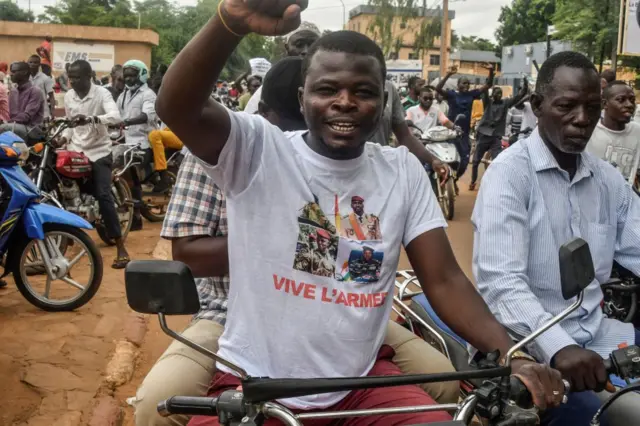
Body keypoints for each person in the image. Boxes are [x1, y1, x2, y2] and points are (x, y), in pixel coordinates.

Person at [157, 3, 565, 425]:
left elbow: (444, 280)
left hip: (363, 386)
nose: (345, 103)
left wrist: (511, 356)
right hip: (259, 386)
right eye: (327, 90)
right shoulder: (259, 150)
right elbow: (177, 107)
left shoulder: (402, 170)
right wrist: (230, 23)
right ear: (303, 97)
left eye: (364, 92)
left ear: (384, 100)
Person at [134, 54, 464, 426]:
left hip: (344, 310)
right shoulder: (234, 149)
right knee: (156, 403)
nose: (296, 145)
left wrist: (330, 247)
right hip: (230, 316)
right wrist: (284, 236)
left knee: (442, 379)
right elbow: (188, 252)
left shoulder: (358, 157)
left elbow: (438, 275)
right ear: (274, 111)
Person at [472, 51, 640, 426]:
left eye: (592, 107)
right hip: (532, 353)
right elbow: (501, 283)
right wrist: (558, 347)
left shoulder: (608, 179)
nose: (582, 120)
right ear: (538, 105)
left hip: (602, 336)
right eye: (566, 106)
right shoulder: (508, 176)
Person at [58, 60, 130, 269]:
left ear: (90, 75)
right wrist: (62, 138)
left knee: (103, 194)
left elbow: (115, 116)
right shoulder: (70, 96)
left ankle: (120, 247)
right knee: (61, 185)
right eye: (70, 77)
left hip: (99, 151)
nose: (72, 81)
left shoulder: (102, 93)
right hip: (76, 149)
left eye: (78, 77)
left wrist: (90, 118)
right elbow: (70, 125)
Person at [243, 21, 321, 114]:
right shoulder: (271, 87)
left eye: (312, 45)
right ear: (287, 48)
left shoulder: (333, 81)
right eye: (299, 45)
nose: (306, 51)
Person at [435, 65, 495, 182]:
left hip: (464, 133)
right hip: (451, 132)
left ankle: (454, 180)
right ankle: (446, 180)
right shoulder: (452, 95)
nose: (467, 85)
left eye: (468, 83)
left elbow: (488, 85)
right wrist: (448, 74)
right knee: (449, 158)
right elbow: (438, 89)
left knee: (465, 161)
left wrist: (491, 71)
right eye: (464, 83)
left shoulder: (471, 95)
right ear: (458, 85)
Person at [117, 59, 157, 232]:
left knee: (127, 172)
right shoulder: (123, 95)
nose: (128, 79)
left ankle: (136, 216)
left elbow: (146, 116)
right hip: (125, 142)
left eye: (132, 76)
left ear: (142, 76)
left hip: (143, 144)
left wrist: (126, 122)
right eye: (126, 76)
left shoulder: (148, 95)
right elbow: (115, 114)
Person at [469, 83, 529, 190]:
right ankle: (473, 181)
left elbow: (517, 98)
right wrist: (490, 76)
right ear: (492, 95)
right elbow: (485, 90)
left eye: (500, 93)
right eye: (496, 93)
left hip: (495, 137)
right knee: (475, 161)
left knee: (498, 160)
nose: (499, 95)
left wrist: (524, 87)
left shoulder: (505, 103)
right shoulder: (488, 103)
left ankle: (497, 182)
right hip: (483, 135)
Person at [586, 81, 640, 185]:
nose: (629, 104)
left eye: (632, 100)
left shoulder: (637, 131)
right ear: (605, 103)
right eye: (621, 100)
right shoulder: (590, 131)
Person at [0, 61, 44, 141]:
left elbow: (26, 117)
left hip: (31, 130)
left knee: (3, 128)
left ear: (24, 72)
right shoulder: (13, 91)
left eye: (13, 71)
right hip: (14, 126)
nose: (10, 74)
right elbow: (11, 115)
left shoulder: (35, 91)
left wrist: (7, 123)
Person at [147, 126, 183, 193]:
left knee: (154, 135)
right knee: (151, 136)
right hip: (173, 130)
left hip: (185, 136)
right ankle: (153, 176)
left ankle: (164, 178)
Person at [28, 55, 55, 119]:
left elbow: (51, 96)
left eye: (35, 62)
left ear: (39, 64)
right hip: (28, 114)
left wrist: (52, 111)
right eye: (30, 62)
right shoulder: (25, 78)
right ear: (27, 63)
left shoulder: (45, 78)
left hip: (43, 114)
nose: (32, 64)